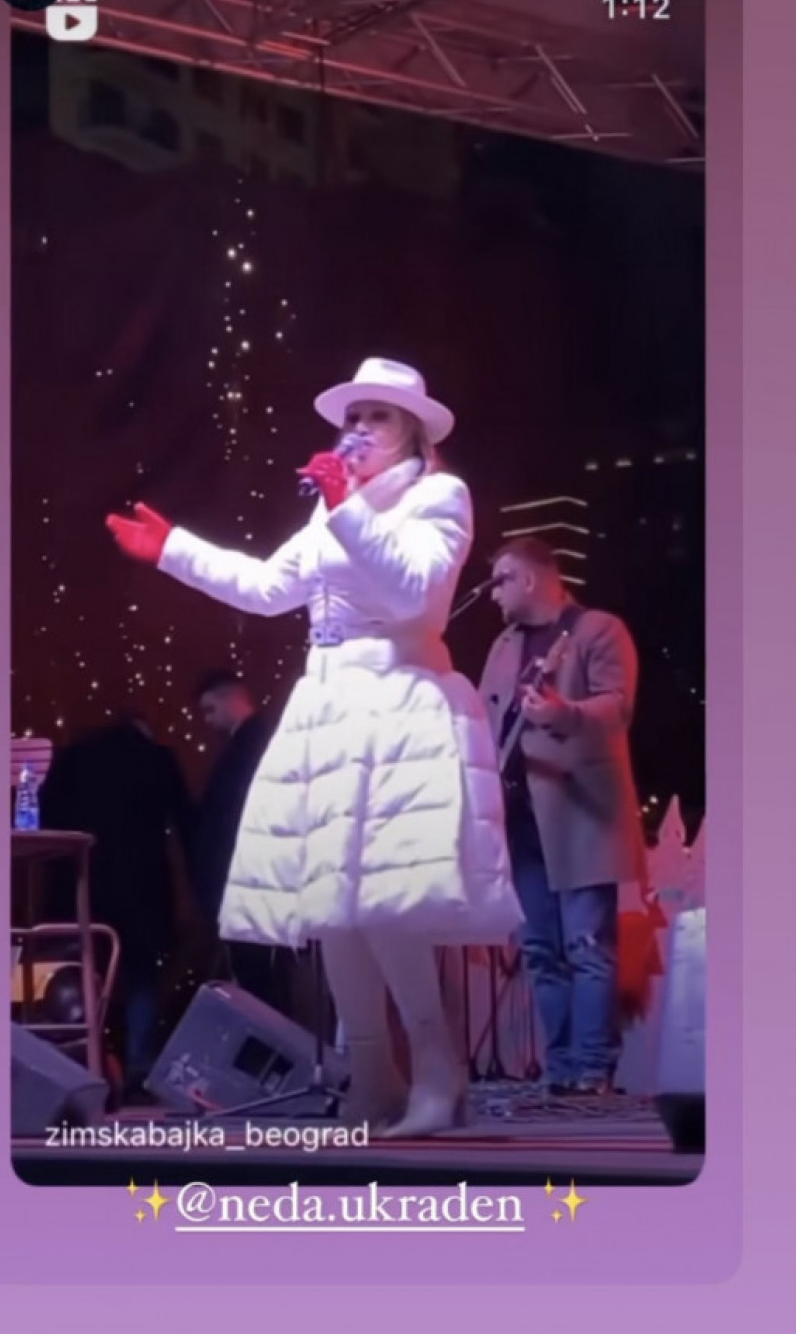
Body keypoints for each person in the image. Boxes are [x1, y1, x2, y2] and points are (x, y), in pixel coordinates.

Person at [107, 356, 523, 1137]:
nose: (359, 428)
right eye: (353, 415)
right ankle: (373, 1077)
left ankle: (439, 1073)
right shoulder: (336, 506)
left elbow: (416, 594)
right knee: (333, 902)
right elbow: (271, 589)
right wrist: (174, 549)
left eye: (378, 416)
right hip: (329, 708)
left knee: (383, 897)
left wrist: (346, 507)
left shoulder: (439, 495)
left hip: (395, 701)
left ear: (412, 433)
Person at [479, 536, 647, 1097]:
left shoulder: (598, 630)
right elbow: (484, 719)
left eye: (501, 580)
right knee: (540, 951)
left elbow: (616, 705)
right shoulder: (504, 645)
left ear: (529, 580)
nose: (493, 593)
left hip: (580, 814)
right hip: (520, 818)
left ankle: (594, 1069)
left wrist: (562, 712)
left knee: (587, 945)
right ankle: (562, 1071)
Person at [38, 713, 196, 1098]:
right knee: (141, 976)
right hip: (142, 888)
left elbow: (45, 815)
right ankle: (138, 1067)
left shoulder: (72, 758)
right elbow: (186, 823)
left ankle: (81, 1064)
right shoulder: (157, 759)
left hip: (79, 885)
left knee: (80, 975)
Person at [188, 668, 291, 1013]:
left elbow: (231, 817)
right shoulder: (253, 741)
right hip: (250, 883)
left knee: (258, 984)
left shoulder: (252, 744)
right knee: (259, 981)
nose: (207, 720)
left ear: (231, 698)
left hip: (249, 882)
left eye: (211, 709)